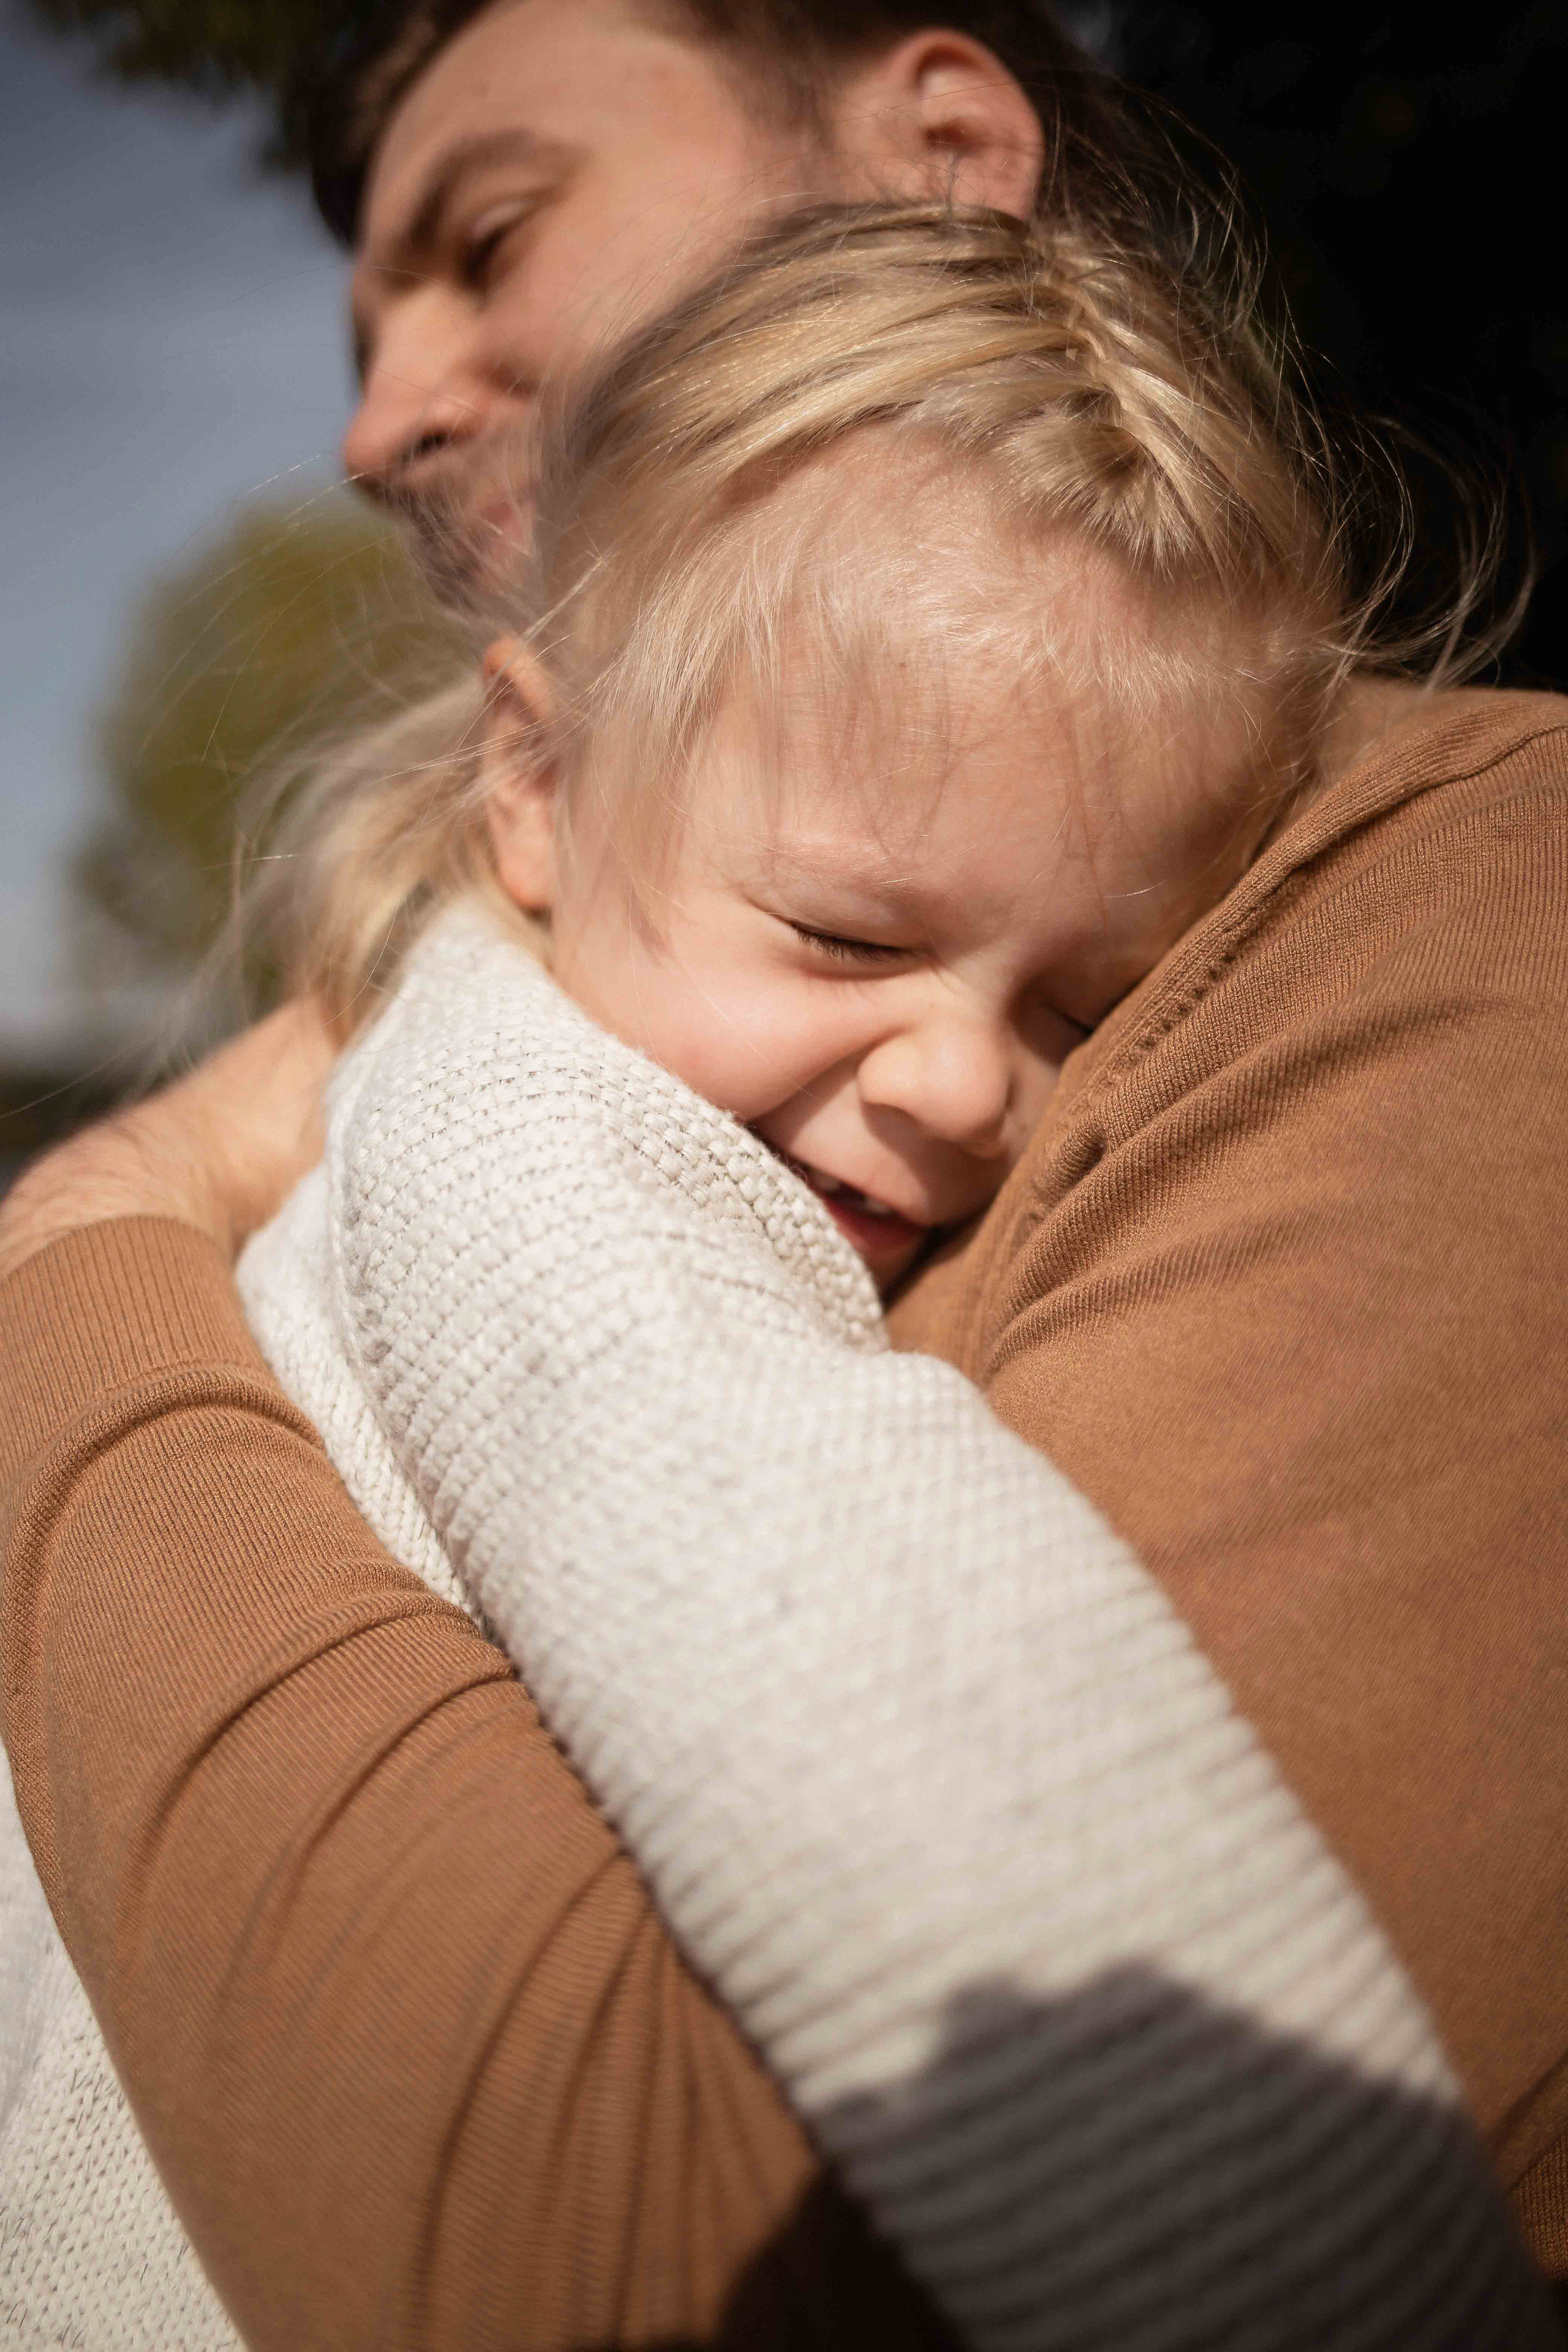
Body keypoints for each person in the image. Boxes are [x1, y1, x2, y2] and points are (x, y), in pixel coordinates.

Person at [1, 1, 1566, 2346]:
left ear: (944, 155)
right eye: (847, 931)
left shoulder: (1449, 880)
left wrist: (80, 1261)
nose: (373, 419)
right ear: (542, 793)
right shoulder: (471, 1026)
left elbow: (665, 2246)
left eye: (491, 234)